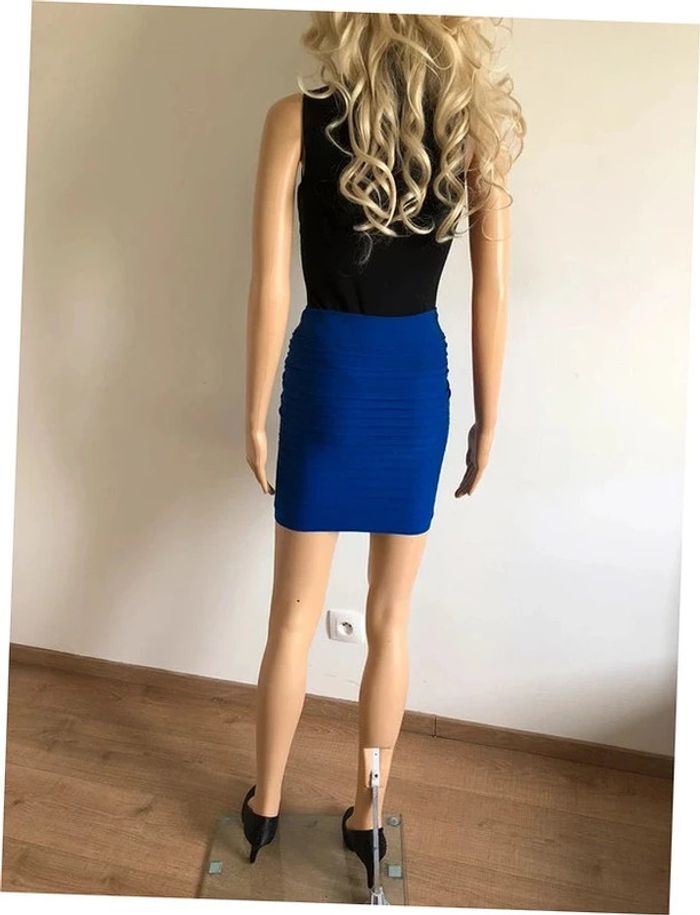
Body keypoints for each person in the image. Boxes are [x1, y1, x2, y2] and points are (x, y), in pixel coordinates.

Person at [242, 11, 525, 888]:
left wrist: (254, 413)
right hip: (412, 391)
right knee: (391, 619)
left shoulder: (294, 120)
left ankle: (266, 805)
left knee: (292, 618)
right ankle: (368, 817)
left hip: (327, 380)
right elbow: (493, 292)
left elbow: (268, 280)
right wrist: (488, 419)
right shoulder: (471, 133)